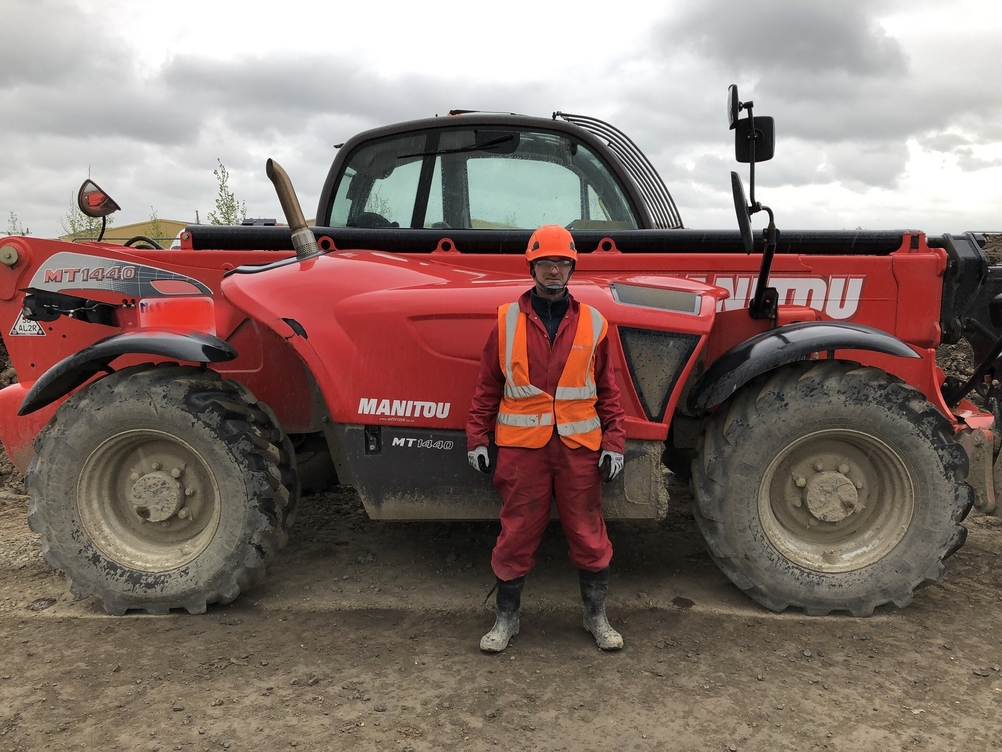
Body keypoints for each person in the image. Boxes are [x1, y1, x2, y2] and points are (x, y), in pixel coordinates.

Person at [466, 224, 626, 653]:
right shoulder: (506, 321)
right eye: (545, 262)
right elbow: (487, 386)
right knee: (516, 533)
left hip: (578, 452)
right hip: (523, 452)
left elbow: (609, 390)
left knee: (588, 534)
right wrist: (477, 437)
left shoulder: (594, 322)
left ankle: (596, 617)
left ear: (572, 267)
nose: (553, 270)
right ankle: (506, 619)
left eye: (561, 262)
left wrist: (614, 443)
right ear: (531, 267)